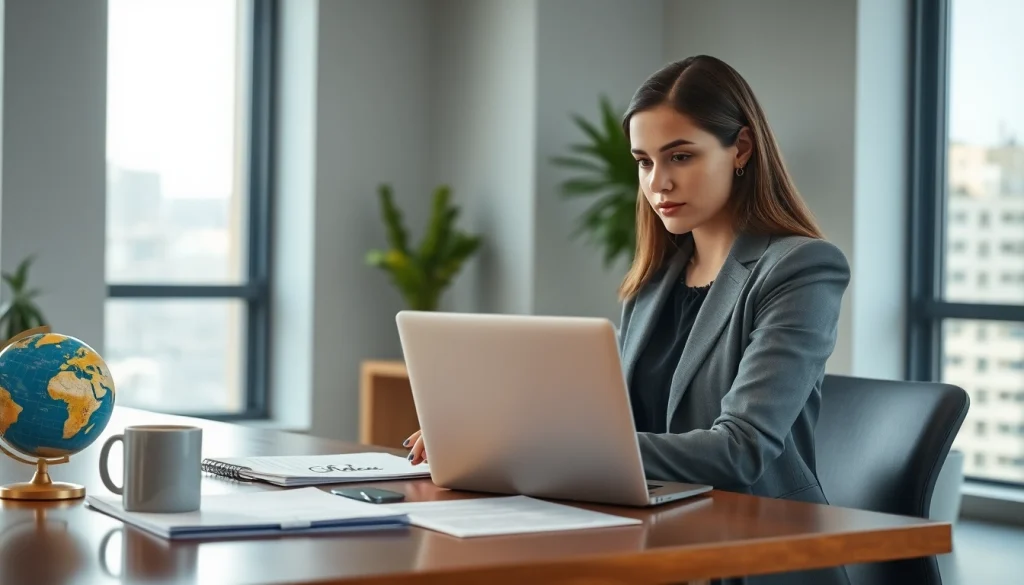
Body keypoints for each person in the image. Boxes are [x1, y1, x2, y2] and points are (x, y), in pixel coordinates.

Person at [403, 55, 851, 585]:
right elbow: (609, 421)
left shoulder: (800, 267)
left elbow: (741, 449)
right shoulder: (654, 281)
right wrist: (486, 436)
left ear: (741, 149)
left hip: (750, 552)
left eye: (680, 156)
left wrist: (539, 446)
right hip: (652, 537)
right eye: (644, 161)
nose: (658, 183)